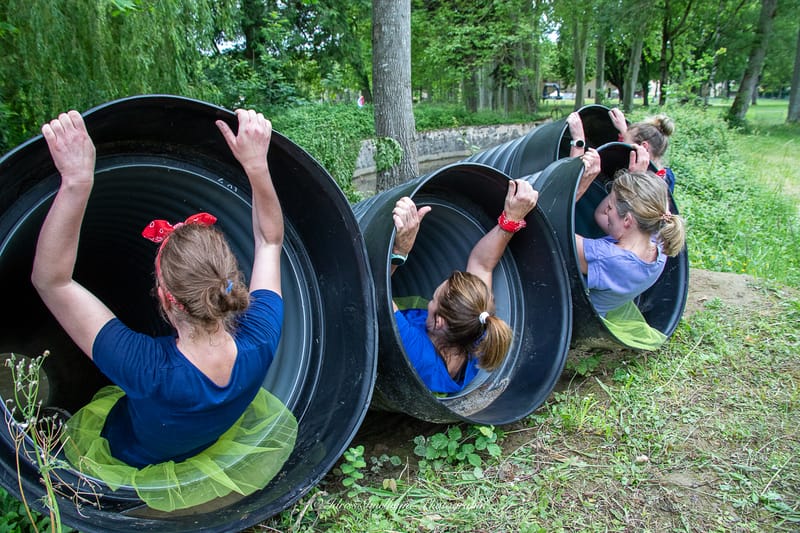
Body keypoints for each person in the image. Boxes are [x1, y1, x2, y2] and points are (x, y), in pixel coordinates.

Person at [32, 109, 294, 503]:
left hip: (134, 459)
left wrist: (77, 182)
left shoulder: (146, 368)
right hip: (203, 443)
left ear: (164, 297)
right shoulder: (262, 335)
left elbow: (50, 280)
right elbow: (270, 240)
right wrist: (256, 165)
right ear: (231, 279)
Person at [389, 180, 538, 394]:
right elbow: (481, 263)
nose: (429, 302)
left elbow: (373, 293)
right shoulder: (477, 327)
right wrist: (512, 219)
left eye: (433, 299)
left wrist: (400, 251)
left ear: (439, 321)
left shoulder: (418, 353)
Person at [573, 148, 686, 317]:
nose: (607, 211)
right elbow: (600, 214)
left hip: (572, 315)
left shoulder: (607, 258)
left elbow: (552, 230)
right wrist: (634, 183)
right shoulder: (659, 245)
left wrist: (580, 184)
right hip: (599, 313)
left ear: (627, 220)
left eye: (610, 207)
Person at [568, 109, 677, 193]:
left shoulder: (647, 190)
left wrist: (579, 143)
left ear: (644, 147)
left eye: (624, 142)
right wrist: (624, 130)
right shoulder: (666, 177)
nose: (621, 148)